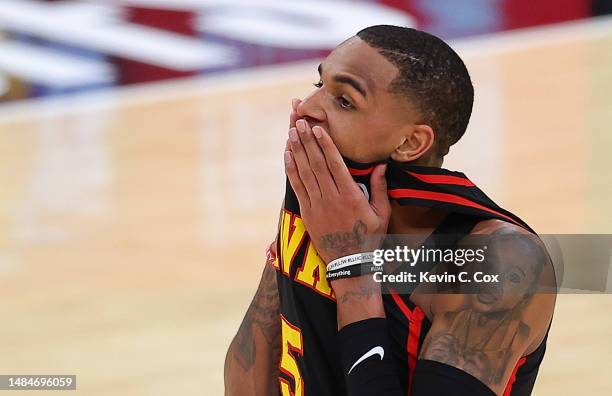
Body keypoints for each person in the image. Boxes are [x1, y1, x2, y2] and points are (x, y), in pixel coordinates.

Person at [224, 25, 556, 396]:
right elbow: (250, 374)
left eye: (344, 100)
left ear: (410, 142)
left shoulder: (499, 262)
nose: (306, 108)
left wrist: (352, 267)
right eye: (319, 84)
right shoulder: (328, 202)